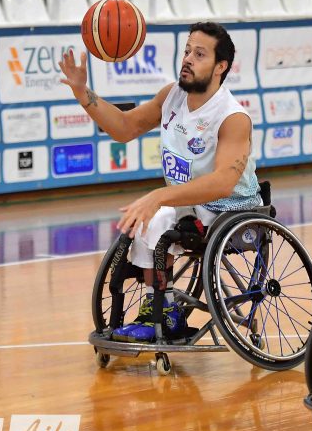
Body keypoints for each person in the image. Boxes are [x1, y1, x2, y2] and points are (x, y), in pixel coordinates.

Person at [59, 21, 262, 342]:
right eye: (187, 51)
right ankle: (158, 304)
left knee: (156, 216)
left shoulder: (232, 117)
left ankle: (163, 312)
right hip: (189, 207)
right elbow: (124, 127)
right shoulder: (172, 96)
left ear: (221, 67)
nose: (188, 59)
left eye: (199, 54)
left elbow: (223, 182)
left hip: (231, 212)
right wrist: (82, 93)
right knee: (145, 219)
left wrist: (159, 197)